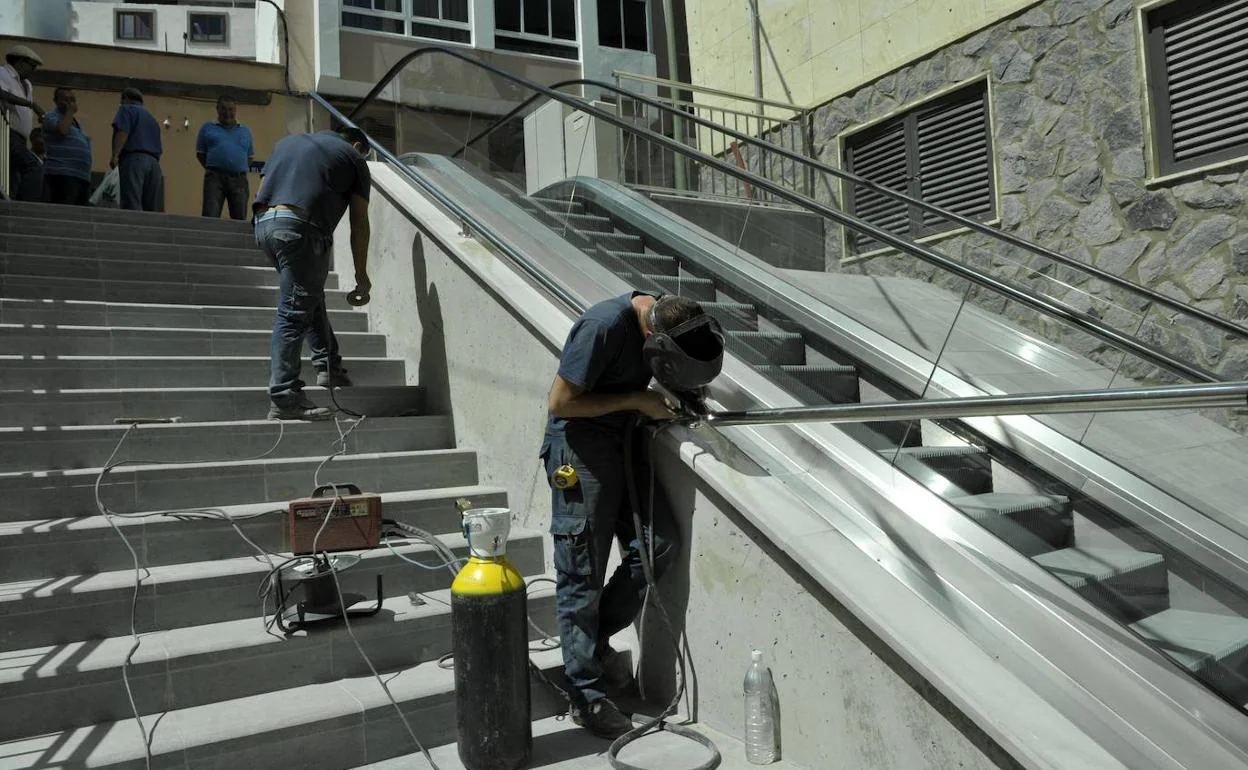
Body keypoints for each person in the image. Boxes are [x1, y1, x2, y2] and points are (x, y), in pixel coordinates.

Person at [541, 291, 718, 739]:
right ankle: (585, 693)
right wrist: (638, 401)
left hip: (623, 445)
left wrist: (690, 394)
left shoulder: (671, 318)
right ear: (652, 338)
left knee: (660, 546)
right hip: (581, 454)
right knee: (582, 572)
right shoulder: (601, 327)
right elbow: (560, 402)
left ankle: (588, 641)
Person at [252, 126, 373, 421]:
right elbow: (359, 223)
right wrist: (361, 275)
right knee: (294, 312)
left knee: (308, 297)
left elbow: (261, 190)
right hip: (301, 228)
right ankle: (284, 397)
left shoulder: (286, 142)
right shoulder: (353, 157)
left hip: (264, 225)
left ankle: (329, 366)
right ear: (357, 145)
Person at [197, 94, 254, 220]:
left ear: (235, 110)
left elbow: (249, 157)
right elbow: (200, 154)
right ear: (217, 109)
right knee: (210, 216)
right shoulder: (207, 128)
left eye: (230, 109)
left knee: (239, 218)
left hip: (239, 179)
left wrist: (234, 166)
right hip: (214, 179)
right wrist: (217, 166)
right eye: (224, 109)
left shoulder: (245, 131)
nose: (227, 113)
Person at [0, 45, 46, 202]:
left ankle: (14, 206)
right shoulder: (3, 73)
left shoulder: (27, 85)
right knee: (34, 167)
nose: (33, 70)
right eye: (32, 66)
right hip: (8, 134)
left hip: (20, 138)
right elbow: (1, 93)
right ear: (20, 63)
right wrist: (30, 105)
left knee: (12, 178)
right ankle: (25, 205)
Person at [110, 88, 163, 212]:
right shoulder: (152, 118)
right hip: (154, 164)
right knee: (151, 207)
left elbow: (123, 132)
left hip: (134, 160)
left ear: (126, 98)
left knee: (132, 203)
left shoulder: (126, 109)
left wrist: (115, 155)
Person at [42, 88, 93, 206]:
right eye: (66, 100)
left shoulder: (76, 123)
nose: (70, 103)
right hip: (63, 173)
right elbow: (62, 130)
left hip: (81, 175)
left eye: (72, 100)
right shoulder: (51, 117)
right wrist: (70, 111)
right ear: (56, 101)